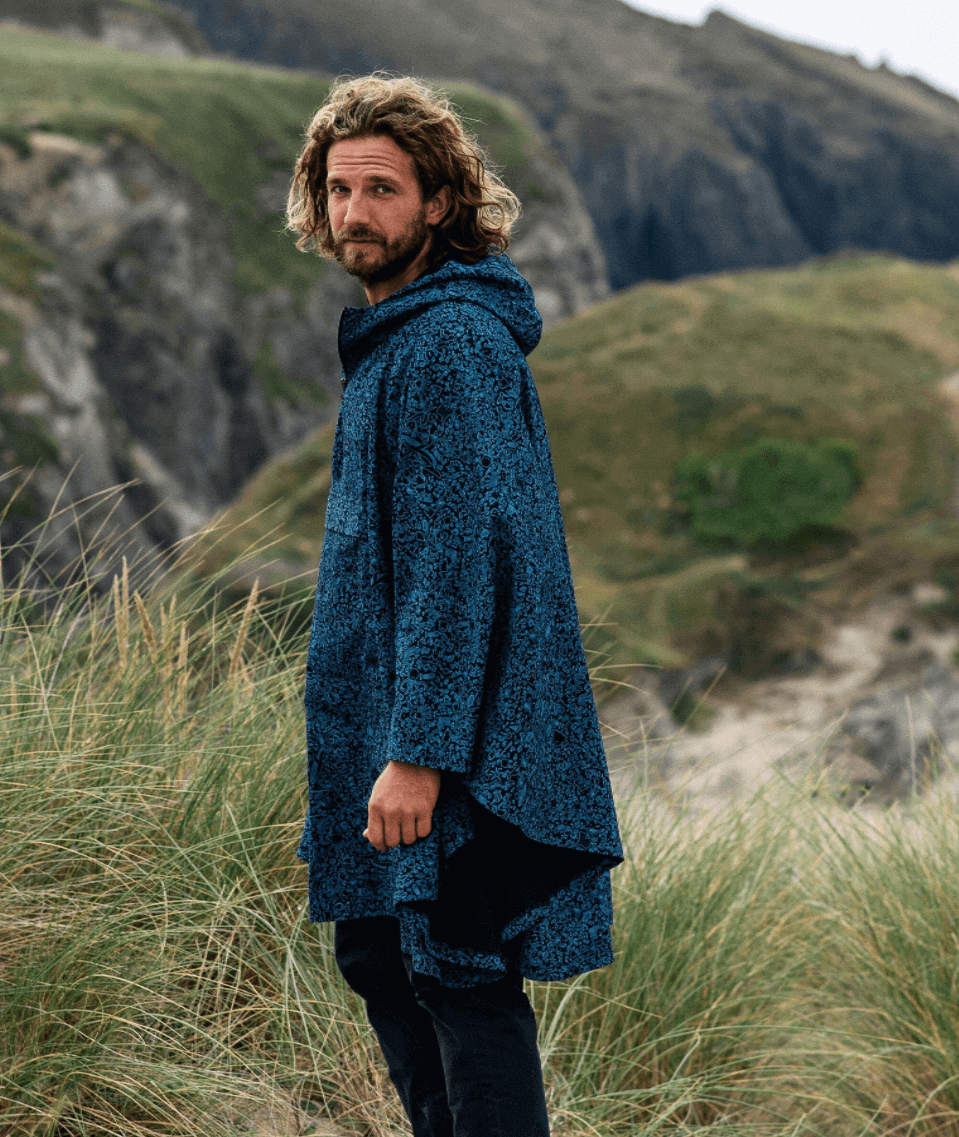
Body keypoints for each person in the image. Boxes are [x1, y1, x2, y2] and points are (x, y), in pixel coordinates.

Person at [286, 74, 623, 1137]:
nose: (353, 215)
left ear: (439, 203)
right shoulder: (409, 341)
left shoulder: (448, 346)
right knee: (389, 958)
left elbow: (457, 566)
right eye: (337, 190)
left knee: (457, 975)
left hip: (448, 747)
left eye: (381, 189)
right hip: (403, 729)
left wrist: (419, 755)